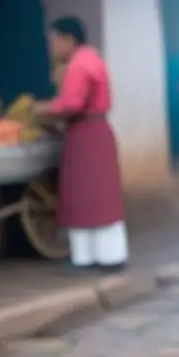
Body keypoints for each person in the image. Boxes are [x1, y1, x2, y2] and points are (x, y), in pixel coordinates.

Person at [34, 17, 128, 272]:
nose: (52, 46)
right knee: (94, 196)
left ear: (68, 40)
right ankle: (99, 256)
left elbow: (71, 103)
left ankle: (94, 257)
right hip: (94, 132)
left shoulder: (78, 65)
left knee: (88, 196)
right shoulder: (92, 58)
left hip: (86, 134)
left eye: (55, 40)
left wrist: (43, 109)